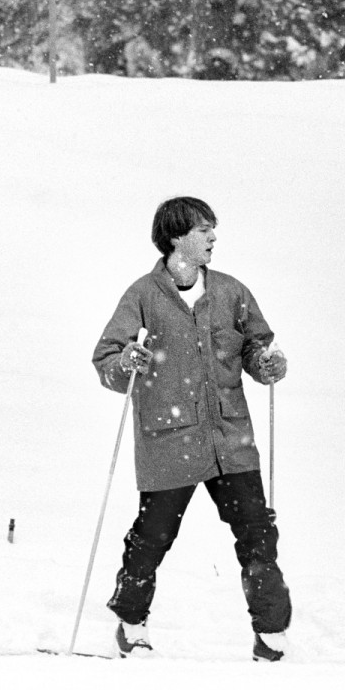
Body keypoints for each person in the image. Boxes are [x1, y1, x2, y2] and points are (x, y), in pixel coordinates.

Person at [92, 196, 292, 662]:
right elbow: (106, 361)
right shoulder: (142, 296)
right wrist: (127, 361)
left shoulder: (232, 293)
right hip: (170, 441)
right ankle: (131, 622)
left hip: (231, 440)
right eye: (203, 230)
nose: (213, 238)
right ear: (176, 237)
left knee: (258, 533)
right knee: (153, 536)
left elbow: (258, 349)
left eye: (212, 229)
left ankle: (272, 633)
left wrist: (267, 364)